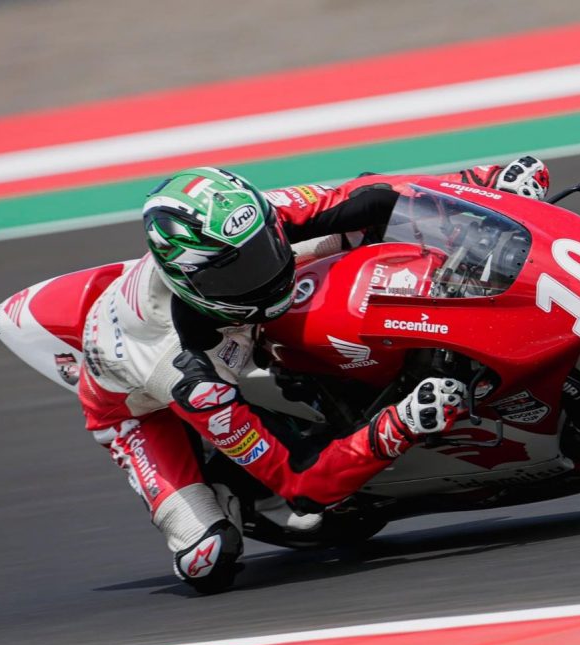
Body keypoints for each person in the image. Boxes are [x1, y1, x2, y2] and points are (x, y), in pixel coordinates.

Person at [78, 157, 550, 593]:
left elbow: (374, 194)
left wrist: (484, 184)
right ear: (192, 282)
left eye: (265, 251)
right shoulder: (187, 373)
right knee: (209, 556)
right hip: (138, 407)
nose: (265, 275)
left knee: (362, 224)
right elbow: (301, 481)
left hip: (232, 319)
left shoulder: (254, 220)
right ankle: (227, 491)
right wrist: (400, 424)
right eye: (235, 275)